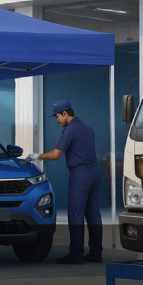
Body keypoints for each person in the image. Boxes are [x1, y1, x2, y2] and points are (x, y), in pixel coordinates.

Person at [25, 100, 104, 265]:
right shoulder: (88, 128)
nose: (57, 120)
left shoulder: (70, 130)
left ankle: (76, 254)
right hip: (94, 173)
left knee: (76, 215)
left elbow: (55, 154)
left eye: (57, 116)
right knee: (93, 215)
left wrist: (37, 156)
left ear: (66, 114)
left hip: (80, 175)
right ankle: (96, 253)